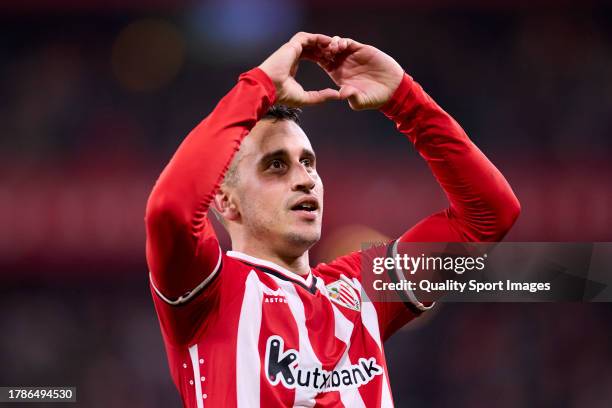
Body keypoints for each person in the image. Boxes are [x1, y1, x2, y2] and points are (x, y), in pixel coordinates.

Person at [144, 32, 520, 408]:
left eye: (308, 163)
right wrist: (258, 85)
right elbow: (170, 209)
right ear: (225, 201)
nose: (305, 178)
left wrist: (406, 101)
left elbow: (490, 214)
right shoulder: (207, 292)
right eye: (276, 165)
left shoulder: (361, 291)